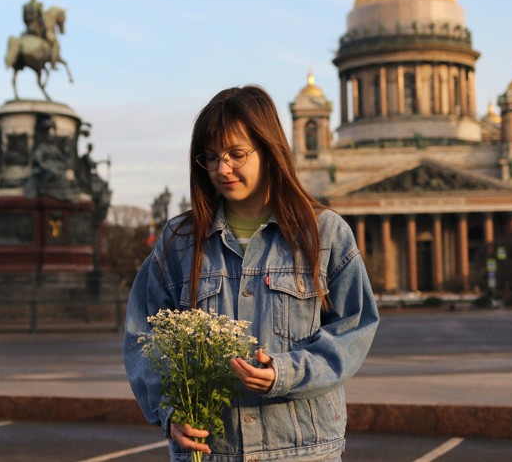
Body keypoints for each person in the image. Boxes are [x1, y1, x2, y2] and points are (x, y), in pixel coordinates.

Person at [124, 85, 379, 461]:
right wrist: (171, 411)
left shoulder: (324, 233)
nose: (221, 169)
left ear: (270, 148)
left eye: (236, 154)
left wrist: (286, 372)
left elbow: (354, 328)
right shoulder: (179, 242)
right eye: (210, 158)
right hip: (212, 453)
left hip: (301, 452)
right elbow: (142, 335)